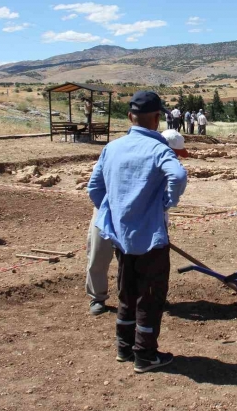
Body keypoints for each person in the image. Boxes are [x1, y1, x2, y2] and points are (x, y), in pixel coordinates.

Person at [87, 90, 187, 373]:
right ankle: (145, 354)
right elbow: (178, 176)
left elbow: (94, 188)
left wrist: (114, 212)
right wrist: (167, 202)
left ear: (130, 116)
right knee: (150, 295)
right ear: (156, 119)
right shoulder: (158, 150)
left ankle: (124, 347)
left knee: (127, 291)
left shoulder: (112, 148)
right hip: (151, 239)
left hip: (122, 237)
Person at [85, 128, 189, 316]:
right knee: (99, 255)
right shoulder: (129, 152)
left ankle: (138, 298)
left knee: (134, 260)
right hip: (107, 210)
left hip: (139, 215)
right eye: (175, 153)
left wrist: (160, 224)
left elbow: (162, 199)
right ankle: (97, 297)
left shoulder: (163, 164)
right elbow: (95, 185)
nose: (177, 158)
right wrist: (109, 209)